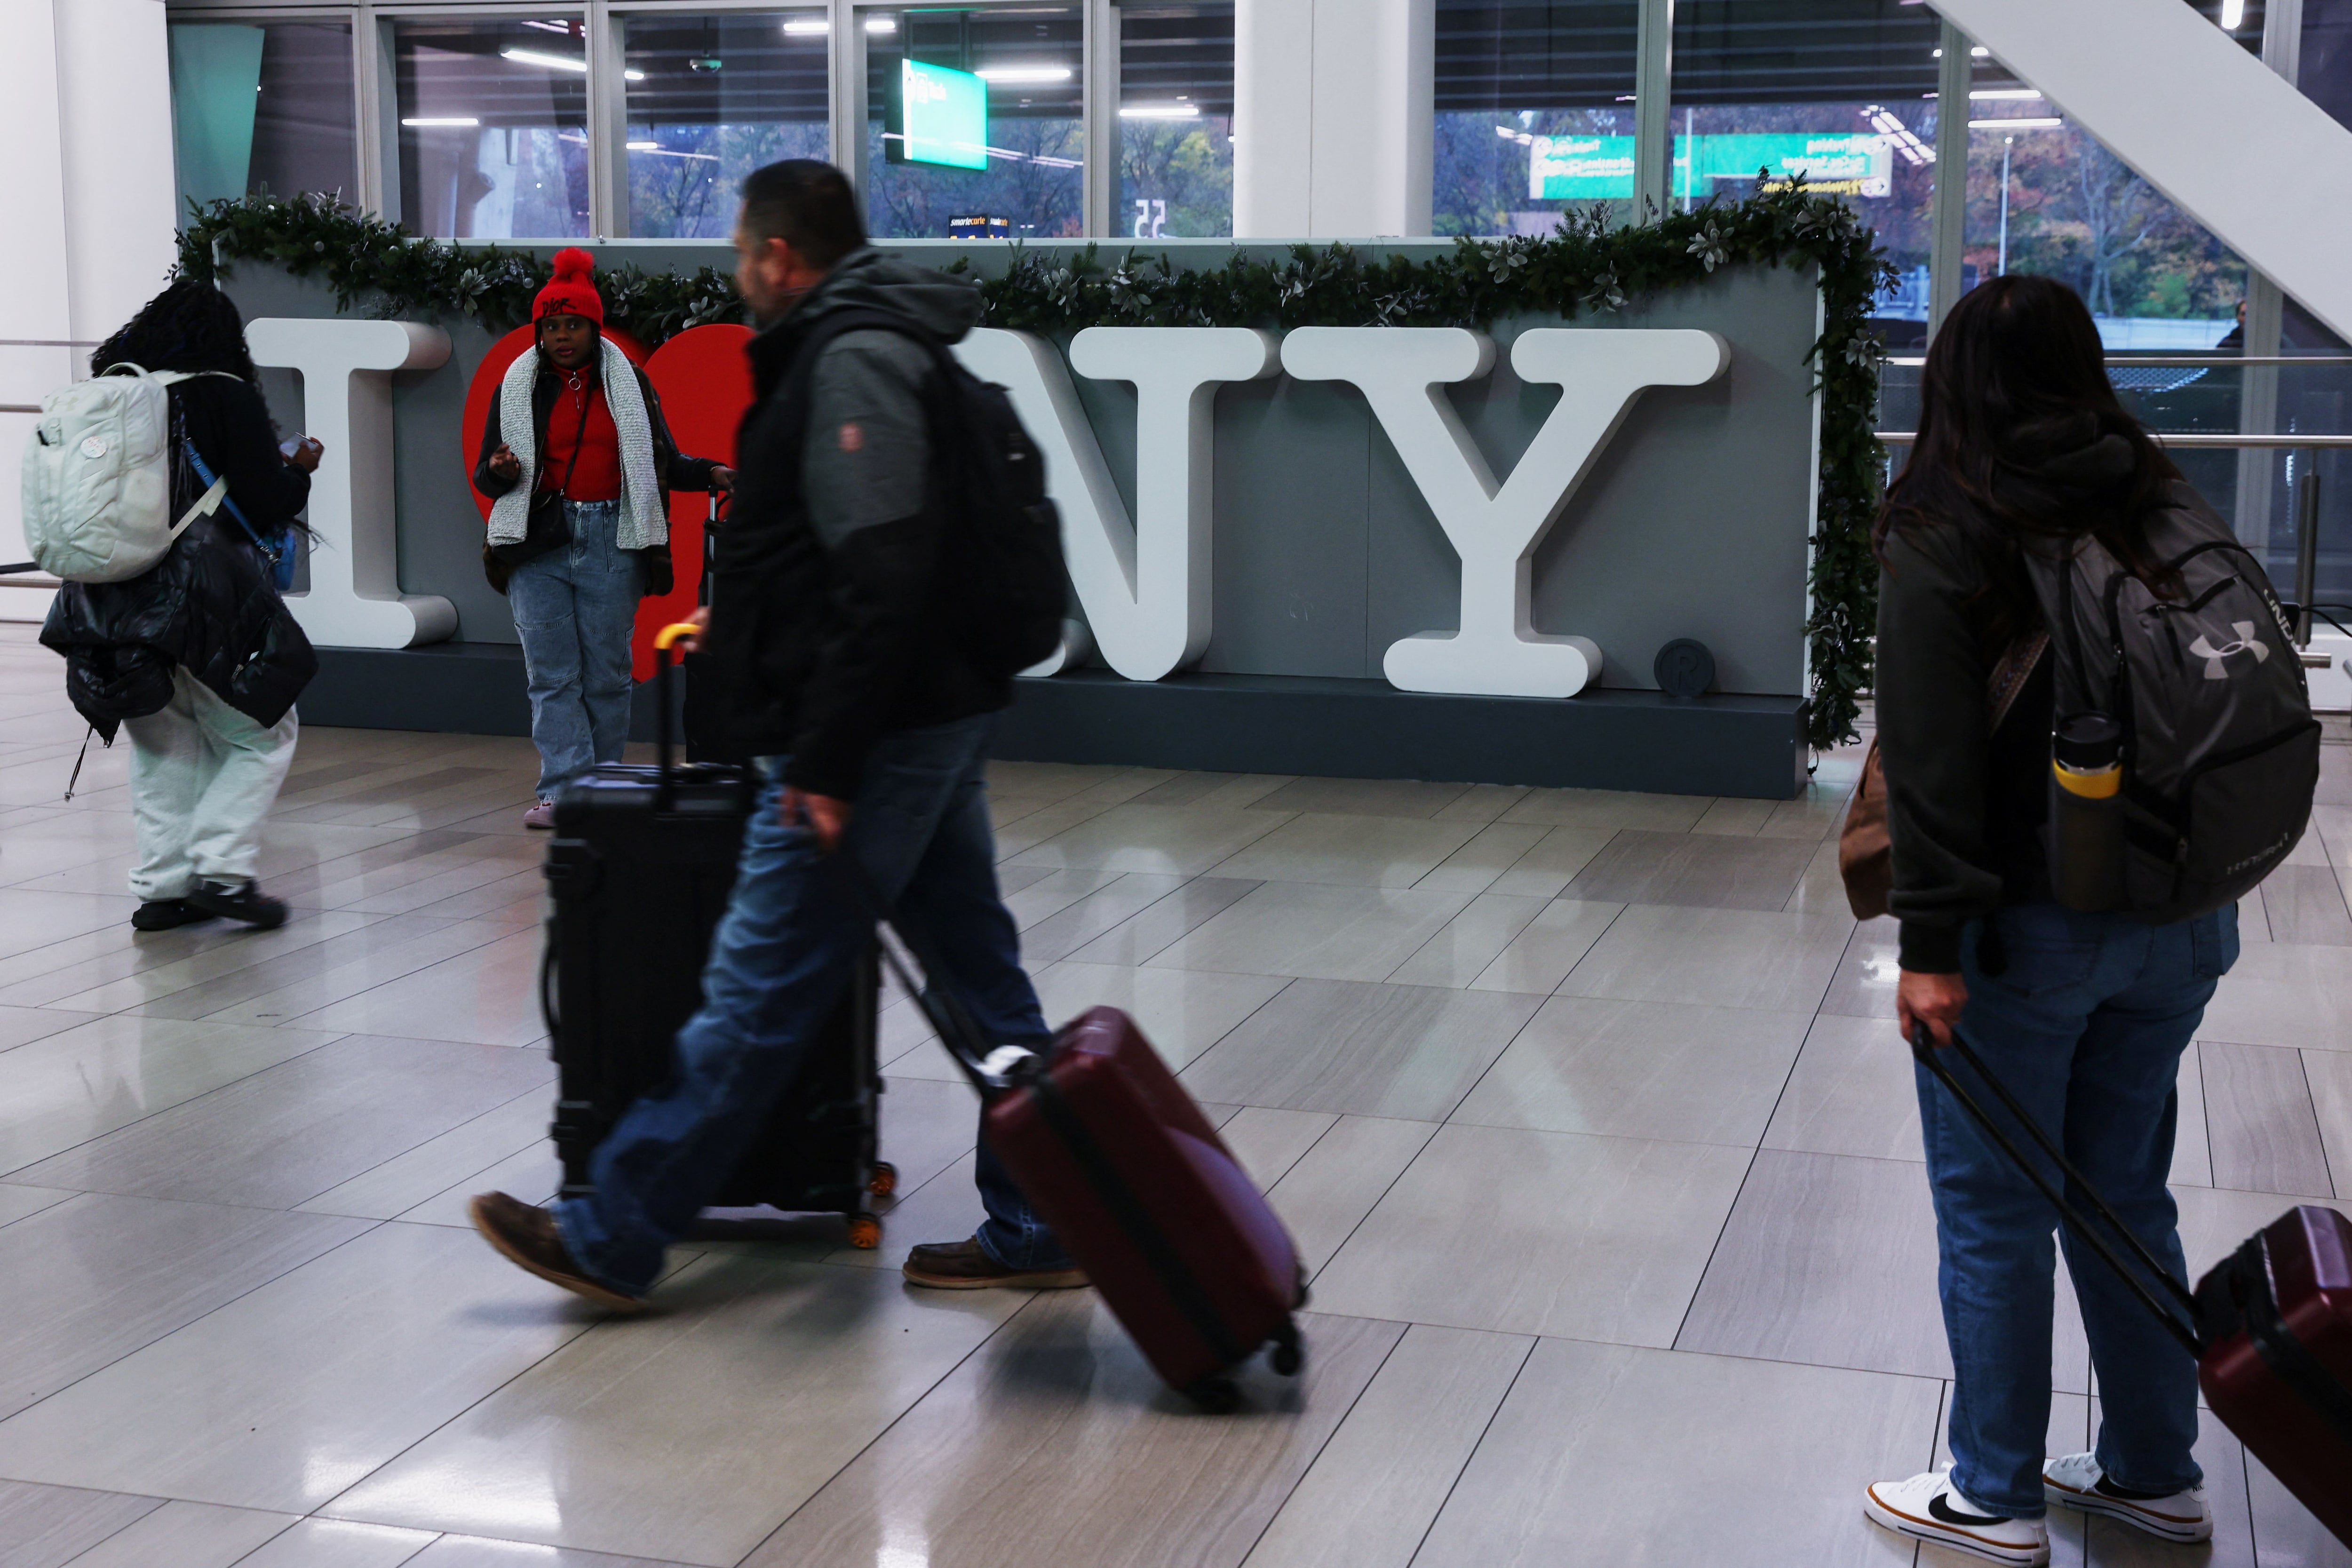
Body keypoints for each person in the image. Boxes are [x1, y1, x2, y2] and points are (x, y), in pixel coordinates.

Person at [469, 160, 1079, 1308]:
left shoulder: (852, 358)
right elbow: (859, 557)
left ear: (779, 257)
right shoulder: (881, 340)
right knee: (978, 979)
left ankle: (610, 1232)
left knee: (759, 987)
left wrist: (829, 762)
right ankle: (1046, 1215)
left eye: (744, 254)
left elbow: (883, 570)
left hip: (873, 737)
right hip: (929, 717)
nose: (740, 275)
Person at [1861, 274, 2232, 1567]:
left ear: (1950, 382)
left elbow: (1930, 763)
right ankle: (2154, 1473)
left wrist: (1927, 952)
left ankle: (1994, 1493)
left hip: (2032, 936)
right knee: (2123, 1189)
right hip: (2180, 915)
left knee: (1994, 1209)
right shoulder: (2155, 493)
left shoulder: (1945, 522)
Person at [41, 278, 322, 932]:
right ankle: (222, 872)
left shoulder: (112, 393)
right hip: (199, 593)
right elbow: (266, 500)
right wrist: (300, 469)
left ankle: (164, 889)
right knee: (262, 731)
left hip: (106, 597)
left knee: (163, 742)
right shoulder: (222, 392)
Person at [472, 247, 730, 829]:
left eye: (573, 324)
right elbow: (486, 475)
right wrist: (501, 470)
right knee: (551, 676)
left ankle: (604, 788)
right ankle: (564, 793)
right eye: (551, 327)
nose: (562, 336)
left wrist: (710, 471)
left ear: (594, 327)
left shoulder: (629, 382)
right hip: (538, 541)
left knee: (607, 677)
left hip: (615, 536)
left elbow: (663, 460)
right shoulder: (518, 386)